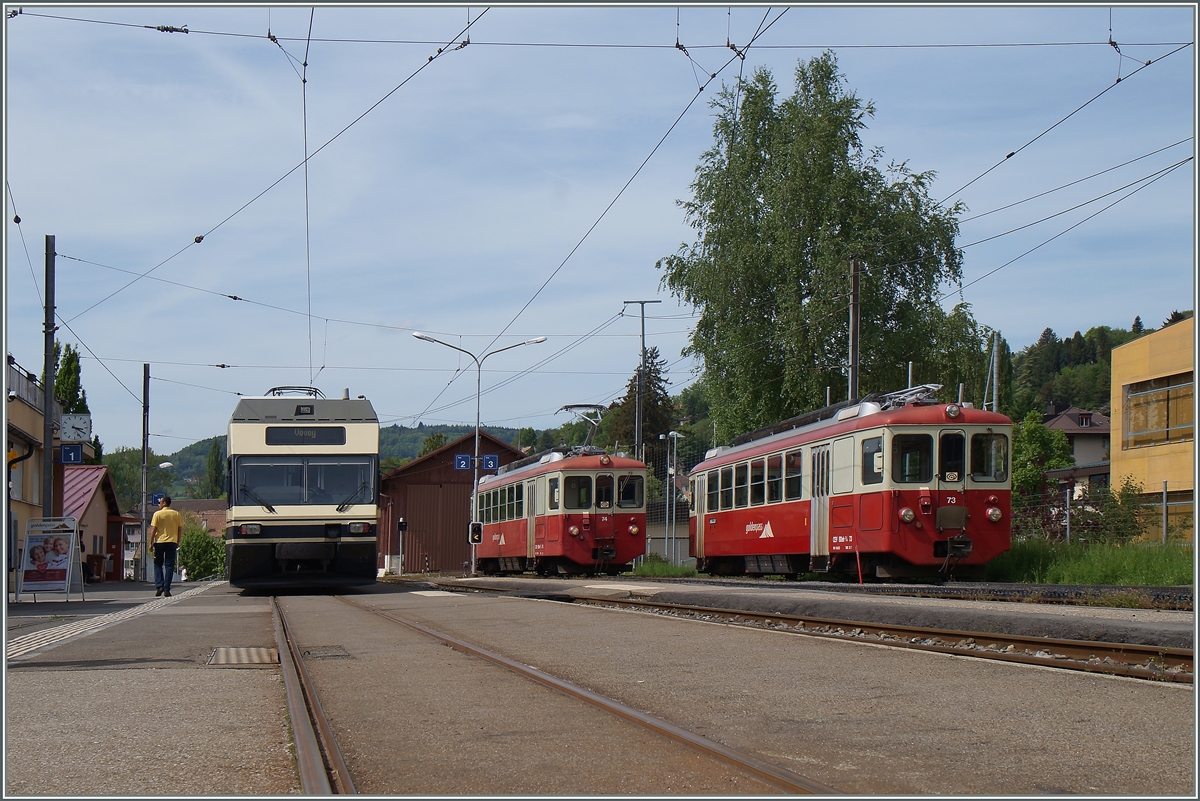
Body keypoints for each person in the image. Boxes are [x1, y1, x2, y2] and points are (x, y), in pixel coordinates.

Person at [148, 495, 183, 597]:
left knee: (158, 564)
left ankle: (160, 585)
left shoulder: (157, 514)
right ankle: (167, 588)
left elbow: (153, 529)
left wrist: (151, 543)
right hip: (172, 542)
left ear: (164, 503)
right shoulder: (176, 514)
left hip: (159, 542)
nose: (159, 504)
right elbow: (179, 529)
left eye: (160, 502)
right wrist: (178, 541)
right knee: (169, 565)